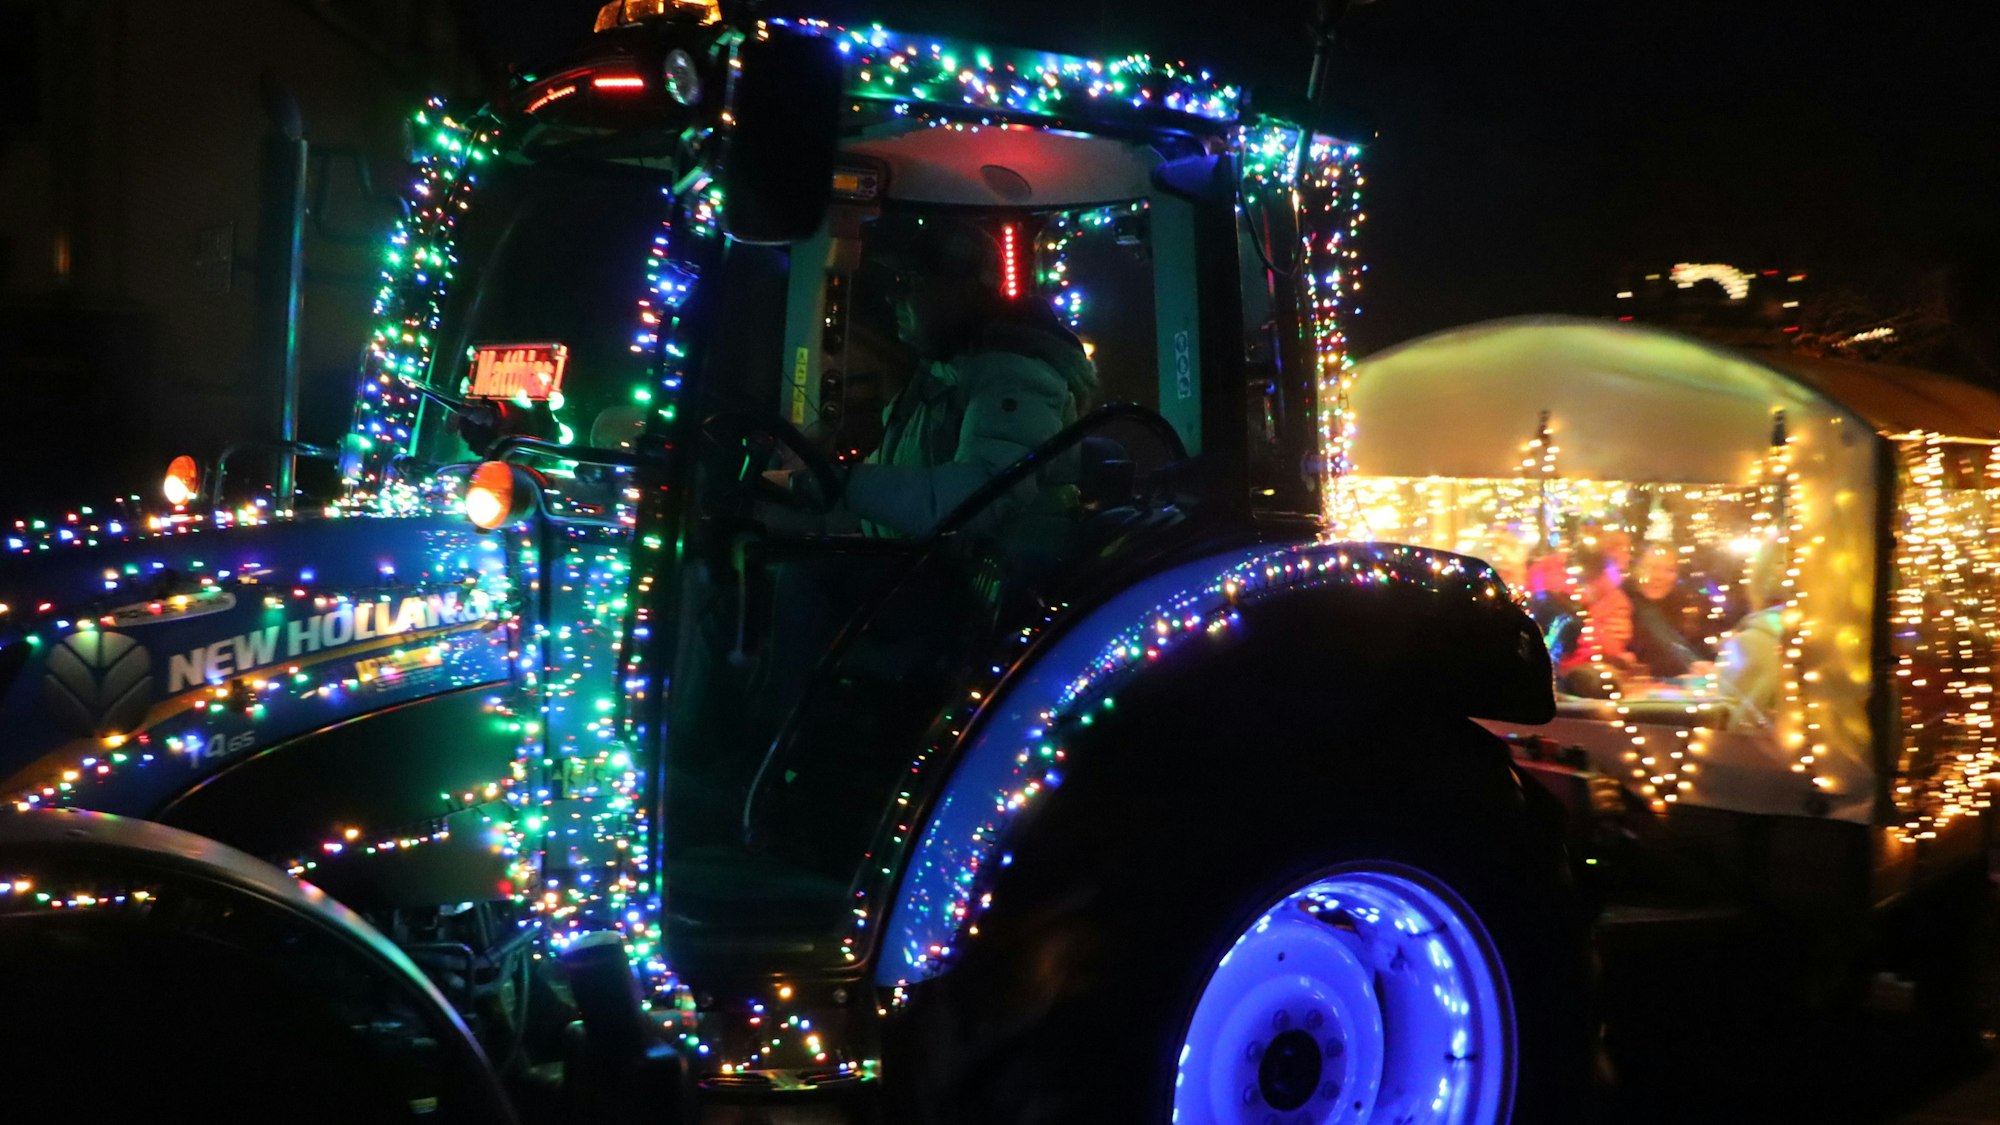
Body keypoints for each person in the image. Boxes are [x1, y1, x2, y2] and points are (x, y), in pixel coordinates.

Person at [773, 217, 1099, 539]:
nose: (892, 297)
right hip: (930, 571)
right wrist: (801, 497)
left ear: (965, 290)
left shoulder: (1015, 376)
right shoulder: (941, 375)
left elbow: (978, 503)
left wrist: (845, 485)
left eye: (907, 281)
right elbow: (892, 499)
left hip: (986, 583)